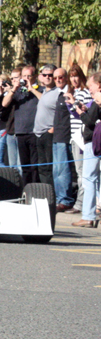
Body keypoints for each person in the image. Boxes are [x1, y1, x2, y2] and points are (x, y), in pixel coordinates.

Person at [2, 65, 43, 185]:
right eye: (24, 76)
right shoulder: (19, 91)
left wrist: (32, 89)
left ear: (34, 77)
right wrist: (14, 89)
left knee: (34, 165)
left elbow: (44, 100)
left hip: (34, 132)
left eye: (29, 76)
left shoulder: (39, 89)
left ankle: (35, 189)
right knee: (24, 166)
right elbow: (4, 103)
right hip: (20, 131)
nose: (26, 78)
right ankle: (25, 189)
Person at [73, 72, 101, 228]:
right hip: (94, 141)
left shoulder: (98, 99)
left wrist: (82, 113)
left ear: (98, 85)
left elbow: (90, 121)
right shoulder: (95, 101)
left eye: (91, 85)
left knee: (89, 178)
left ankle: (88, 216)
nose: (89, 89)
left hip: (94, 142)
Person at [65, 64, 92, 214]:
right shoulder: (72, 92)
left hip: (81, 135)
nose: (74, 79)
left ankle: (80, 204)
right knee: (78, 170)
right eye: (72, 76)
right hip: (74, 135)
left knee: (82, 172)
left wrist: (73, 101)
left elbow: (82, 113)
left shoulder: (84, 92)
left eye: (76, 76)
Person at [52, 68, 75, 212]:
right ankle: (59, 198)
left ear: (66, 78)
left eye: (60, 77)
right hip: (56, 135)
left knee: (63, 170)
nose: (58, 80)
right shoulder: (58, 93)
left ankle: (65, 199)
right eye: (55, 78)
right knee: (56, 170)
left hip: (65, 136)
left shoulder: (69, 93)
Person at [31, 64, 58, 186]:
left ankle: (52, 195)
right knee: (41, 167)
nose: (47, 77)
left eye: (50, 75)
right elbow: (43, 100)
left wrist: (52, 130)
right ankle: (45, 194)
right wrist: (31, 89)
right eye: (44, 75)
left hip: (49, 134)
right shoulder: (45, 92)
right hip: (39, 134)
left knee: (48, 168)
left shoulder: (58, 92)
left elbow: (62, 113)